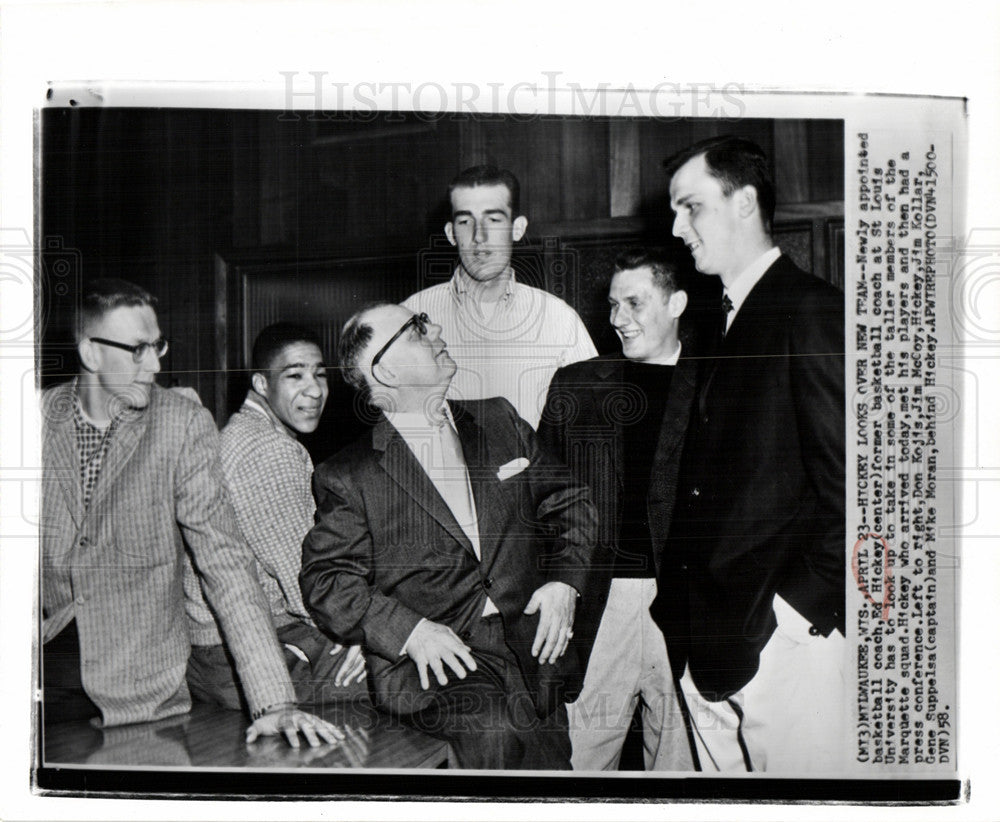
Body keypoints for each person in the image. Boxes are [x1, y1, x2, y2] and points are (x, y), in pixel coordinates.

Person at [40, 279, 341, 748]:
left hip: (142, 695)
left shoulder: (182, 425)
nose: (156, 363)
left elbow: (227, 566)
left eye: (157, 345)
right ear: (91, 353)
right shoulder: (29, 420)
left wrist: (274, 703)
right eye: (138, 349)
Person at [299, 303, 599, 769]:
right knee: (492, 731)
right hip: (439, 670)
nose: (435, 328)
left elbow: (570, 501)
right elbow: (328, 581)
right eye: (417, 328)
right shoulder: (348, 476)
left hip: (530, 651)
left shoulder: (500, 420)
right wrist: (410, 632)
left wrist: (565, 582)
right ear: (387, 370)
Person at [658, 136, 846, 772]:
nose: (676, 226)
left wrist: (796, 616)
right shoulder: (719, 322)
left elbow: (856, 488)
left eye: (691, 207)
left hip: (780, 644)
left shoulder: (812, 311)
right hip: (709, 637)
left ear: (744, 203)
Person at [538, 249, 697, 771]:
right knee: (578, 761)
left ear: (676, 303)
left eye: (634, 303)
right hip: (600, 603)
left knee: (681, 770)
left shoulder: (721, 384)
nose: (617, 319)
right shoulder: (576, 386)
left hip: (689, 606)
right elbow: (543, 503)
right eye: (612, 305)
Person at [184, 323, 366, 712]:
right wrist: (361, 635)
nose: (315, 390)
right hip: (248, 654)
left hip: (214, 652)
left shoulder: (242, 431)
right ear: (261, 384)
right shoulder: (269, 450)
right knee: (412, 671)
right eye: (295, 375)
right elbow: (305, 578)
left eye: (319, 374)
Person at [402, 164, 597, 429]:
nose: (479, 236)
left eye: (493, 220)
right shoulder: (410, 319)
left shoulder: (560, 320)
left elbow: (590, 420)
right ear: (450, 233)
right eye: (465, 221)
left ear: (517, 229)